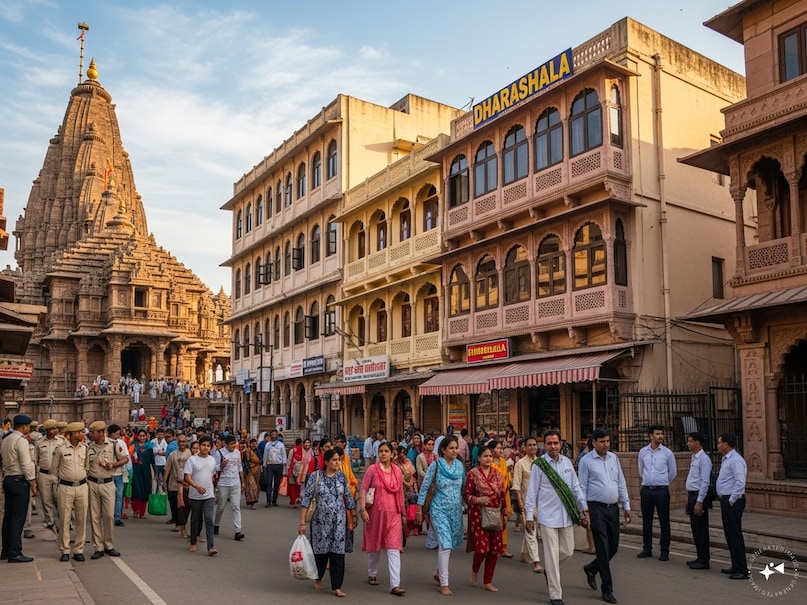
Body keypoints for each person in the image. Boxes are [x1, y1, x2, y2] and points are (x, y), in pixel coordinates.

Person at [525, 430, 590, 605]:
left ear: (560, 444)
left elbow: (576, 488)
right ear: (544, 445)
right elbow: (531, 493)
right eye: (549, 443)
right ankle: (556, 595)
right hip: (547, 517)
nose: (553, 446)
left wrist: (584, 508)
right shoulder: (539, 465)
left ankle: (550, 571)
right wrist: (529, 516)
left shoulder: (567, 462)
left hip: (566, 515)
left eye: (555, 443)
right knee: (552, 555)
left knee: (568, 551)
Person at [578, 428, 631, 604]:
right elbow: (582, 487)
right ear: (594, 442)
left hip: (613, 508)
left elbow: (621, 482)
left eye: (608, 441)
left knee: (613, 547)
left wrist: (626, 505)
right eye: (602, 441)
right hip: (595, 508)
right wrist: (583, 510)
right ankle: (607, 589)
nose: (606, 445)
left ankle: (592, 568)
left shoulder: (613, 458)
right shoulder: (586, 461)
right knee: (602, 546)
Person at [298, 448, 357, 597]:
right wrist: (302, 522)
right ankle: (318, 578)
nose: (338, 462)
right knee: (320, 553)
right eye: (334, 460)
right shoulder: (315, 476)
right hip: (320, 523)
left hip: (339, 523)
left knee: (338, 554)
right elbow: (306, 499)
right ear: (326, 462)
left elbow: (348, 497)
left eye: (339, 460)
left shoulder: (342, 477)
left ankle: (336, 586)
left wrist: (353, 515)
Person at [415, 435, 465, 597]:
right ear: (443, 450)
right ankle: (445, 583)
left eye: (456, 448)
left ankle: (438, 571)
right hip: (438, 511)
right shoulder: (435, 466)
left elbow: (463, 489)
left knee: (451, 543)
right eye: (451, 448)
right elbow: (425, 488)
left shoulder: (460, 467)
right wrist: (419, 509)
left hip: (455, 511)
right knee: (445, 544)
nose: (454, 451)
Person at [359, 442, 406, 596]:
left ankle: (395, 584)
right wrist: (363, 508)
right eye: (381, 451)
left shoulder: (397, 471)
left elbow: (400, 493)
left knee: (394, 548)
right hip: (375, 514)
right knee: (375, 544)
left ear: (392, 454)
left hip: (393, 515)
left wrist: (403, 513)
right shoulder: (372, 470)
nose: (383, 454)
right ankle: (372, 573)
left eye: (386, 451)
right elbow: (364, 488)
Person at [464, 444, 507, 592]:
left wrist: (505, 512)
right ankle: (474, 571)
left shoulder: (497, 474)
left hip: (495, 513)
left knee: (494, 549)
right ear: (479, 458)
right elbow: (466, 495)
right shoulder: (473, 474)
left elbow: (502, 494)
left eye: (490, 456)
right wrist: (478, 500)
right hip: (478, 514)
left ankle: (488, 581)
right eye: (485, 456)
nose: (488, 459)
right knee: (482, 549)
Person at [86, 421, 127, 559]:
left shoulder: (114, 444)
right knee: (95, 516)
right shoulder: (88, 447)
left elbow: (125, 459)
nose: (90, 435)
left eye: (93, 432)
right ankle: (98, 546)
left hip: (108, 483)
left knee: (109, 516)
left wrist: (113, 465)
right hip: (92, 483)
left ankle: (109, 544)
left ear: (101, 433)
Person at [636, 424, 677, 561]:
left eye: (661, 434)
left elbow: (672, 473)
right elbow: (641, 470)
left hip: (661, 491)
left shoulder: (667, 453)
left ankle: (664, 550)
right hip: (647, 490)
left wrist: (661, 482)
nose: (660, 436)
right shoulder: (643, 452)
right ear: (650, 436)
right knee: (646, 520)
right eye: (657, 434)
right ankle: (647, 548)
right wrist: (649, 480)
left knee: (664, 521)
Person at [0, 414, 38, 563]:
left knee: (8, 517)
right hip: (18, 480)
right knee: (18, 518)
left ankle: (6, 549)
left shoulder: (6, 439)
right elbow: (27, 464)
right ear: (24, 427)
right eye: (27, 426)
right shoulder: (21, 441)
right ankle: (15, 551)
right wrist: (33, 483)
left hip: (8, 478)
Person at [53, 421, 90, 562]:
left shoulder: (85, 448)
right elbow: (54, 469)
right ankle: (65, 549)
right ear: (73, 434)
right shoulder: (60, 449)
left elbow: (87, 467)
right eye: (80, 432)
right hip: (65, 487)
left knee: (81, 519)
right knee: (65, 519)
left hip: (81, 486)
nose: (82, 434)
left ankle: (79, 549)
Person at [716, 433, 749, 580]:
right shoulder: (726, 459)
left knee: (735, 534)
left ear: (726, 444)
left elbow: (740, 482)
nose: (718, 446)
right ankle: (735, 565)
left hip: (733, 501)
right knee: (729, 534)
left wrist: (732, 499)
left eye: (719, 443)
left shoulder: (736, 460)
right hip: (726, 499)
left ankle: (742, 569)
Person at [511, 436, 542, 572]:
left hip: (540, 501)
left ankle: (524, 553)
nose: (532, 447)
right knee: (530, 530)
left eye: (534, 445)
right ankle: (536, 561)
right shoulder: (520, 464)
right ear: (524, 447)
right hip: (526, 500)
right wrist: (520, 503)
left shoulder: (540, 462)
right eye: (529, 445)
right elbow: (516, 486)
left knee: (532, 528)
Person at [184, 435, 218, 555]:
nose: (205, 448)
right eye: (203, 445)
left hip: (209, 495)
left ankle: (211, 547)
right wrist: (196, 486)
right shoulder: (192, 460)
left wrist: (213, 491)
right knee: (195, 519)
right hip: (195, 495)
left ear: (211, 448)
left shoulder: (212, 460)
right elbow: (187, 477)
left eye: (208, 446)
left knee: (209, 519)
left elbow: (212, 477)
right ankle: (193, 542)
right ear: (199, 446)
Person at [685, 431, 712, 570]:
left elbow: (705, 481)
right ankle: (699, 556)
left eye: (690, 441)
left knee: (701, 529)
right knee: (695, 529)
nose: (688, 443)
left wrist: (699, 501)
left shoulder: (704, 459)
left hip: (698, 496)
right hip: (692, 495)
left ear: (697, 442)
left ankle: (704, 559)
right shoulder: (694, 457)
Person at [214, 434, 245, 541]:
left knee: (236, 507)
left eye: (234, 444)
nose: (233, 446)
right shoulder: (219, 453)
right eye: (231, 444)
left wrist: (242, 481)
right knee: (221, 507)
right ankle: (216, 524)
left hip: (235, 483)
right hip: (223, 484)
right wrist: (222, 465)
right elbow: (215, 468)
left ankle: (237, 531)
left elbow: (239, 467)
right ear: (226, 444)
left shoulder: (237, 453)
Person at [34, 418, 61, 531]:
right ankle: (50, 522)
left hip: (57, 474)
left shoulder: (61, 441)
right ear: (48, 430)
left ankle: (65, 521)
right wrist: (35, 477)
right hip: (43, 474)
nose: (55, 430)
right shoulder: (39, 442)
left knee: (59, 499)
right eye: (53, 429)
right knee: (46, 499)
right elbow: (35, 460)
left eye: (56, 428)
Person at [164, 433, 192, 536]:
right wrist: (164, 482)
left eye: (184, 441)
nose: (182, 443)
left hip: (186, 484)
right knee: (173, 505)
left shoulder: (191, 454)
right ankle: (177, 523)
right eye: (180, 441)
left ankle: (182, 524)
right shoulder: (172, 454)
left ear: (187, 442)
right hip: (173, 483)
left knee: (184, 506)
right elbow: (167, 469)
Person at [489, 440, 514, 557]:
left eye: (501, 448)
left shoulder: (503, 462)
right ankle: (494, 547)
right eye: (498, 448)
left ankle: (503, 547)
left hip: (505, 494)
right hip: (494, 496)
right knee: (494, 523)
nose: (500, 450)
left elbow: (507, 477)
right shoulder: (488, 462)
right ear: (491, 450)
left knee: (504, 521)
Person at [394, 445, 419, 537]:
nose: (403, 455)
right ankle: (403, 532)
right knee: (401, 511)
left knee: (411, 509)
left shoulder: (408, 462)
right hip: (399, 489)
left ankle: (413, 527)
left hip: (409, 488)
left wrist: (405, 478)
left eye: (404, 453)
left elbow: (411, 472)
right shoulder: (394, 463)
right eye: (401, 453)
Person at [128, 429, 154, 519]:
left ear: (146, 436)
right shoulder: (133, 446)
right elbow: (128, 457)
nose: (142, 437)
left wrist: (156, 474)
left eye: (144, 436)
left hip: (146, 472)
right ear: (137, 436)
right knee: (136, 491)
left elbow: (152, 461)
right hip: (136, 471)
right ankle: (136, 511)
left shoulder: (149, 447)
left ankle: (142, 512)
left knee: (145, 491)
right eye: (140, 436)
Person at [107, 424, 129, 527]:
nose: (119, 435)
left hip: (118, 473)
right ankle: (109, 516)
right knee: (109, 497)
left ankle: (117, 517)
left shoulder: (120, 443)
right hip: (107, 475)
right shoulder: (104, 443)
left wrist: (114, 465)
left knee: (119, 497)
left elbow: (126, 458)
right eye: (117, 433)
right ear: (112, 434)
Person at [262, 429, 287, 507]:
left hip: (278, 466)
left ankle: (274, 500)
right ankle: (268, 501)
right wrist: (264, 464)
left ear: (277, 435)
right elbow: (265, 455)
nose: (273, 436)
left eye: (275, 434)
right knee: (268, 483)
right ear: (270, 436)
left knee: (276, 484)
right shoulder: (268, 445)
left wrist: (284, 467)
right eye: (272, 434)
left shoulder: (281, 445)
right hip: (270, 466)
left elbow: (284, 455)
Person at [288, 438, 311, 508]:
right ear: (302, 444)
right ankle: (295, 500)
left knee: (292, 486)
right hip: (301, 471)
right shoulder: (305, 451)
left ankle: (292, 501)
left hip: (292, 470)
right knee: (298, 486)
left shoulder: (292, 450)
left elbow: (289, 460)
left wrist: (287, 470)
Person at [242, 438, 262, 510]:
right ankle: (250, 502)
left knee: (255, 487)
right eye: (252, 443)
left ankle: (253, 503)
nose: (254, 445)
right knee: (248, 487)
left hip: (256, 471)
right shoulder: (245, 452)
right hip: (247, 471)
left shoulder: (257, 451)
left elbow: (259, 460)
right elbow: (244, 462)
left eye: (255, 444)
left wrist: (254, 463)